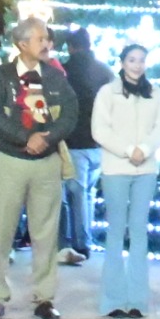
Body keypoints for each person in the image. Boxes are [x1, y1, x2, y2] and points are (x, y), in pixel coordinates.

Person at [0, 16, 78, 319]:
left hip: (47, 163)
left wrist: (48, 138)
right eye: (41, 39)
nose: (47, 44)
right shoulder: (1, 76)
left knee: (45, 234)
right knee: (2, 230)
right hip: (10, 161)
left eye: (47, 39)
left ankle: (44, 298)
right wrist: (24, 137)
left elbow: (71, 113)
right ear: (22, 44)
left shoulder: (55, 77)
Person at [91, 42, 160, 319]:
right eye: (132, 60)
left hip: (146, 170)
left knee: (139, 230)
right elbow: (100, 129)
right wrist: (128, 150)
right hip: (116, 167)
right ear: (123, 62)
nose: (137, 65)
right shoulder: (107, 93)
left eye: (141, 60)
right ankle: (112, 300)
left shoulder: (156, 93)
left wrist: (145, 150)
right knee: (116, 231)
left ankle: (138, 300)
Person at [57, 28, 106, 268]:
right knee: (88, 194)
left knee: (76, 194)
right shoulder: (105, 72)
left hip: (75, 142)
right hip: (101, 145)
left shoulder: (64, 72)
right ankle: (84, 240)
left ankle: (79, 243)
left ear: (71, 47)